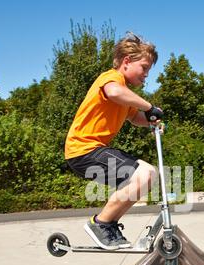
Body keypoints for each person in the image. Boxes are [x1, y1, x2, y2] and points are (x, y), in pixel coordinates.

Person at [65, 32, 163, 250]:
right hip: (83, 149)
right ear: (127, 61)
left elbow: (134, 117)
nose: (146, 74)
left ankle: (108, 225)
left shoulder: (125, 93)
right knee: (144, 174)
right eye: (144, 67)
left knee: (147, 175)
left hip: (91, 151)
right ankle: (100, 223)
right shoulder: (111, 79)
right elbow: (113, 92)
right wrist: (148, 106)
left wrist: (151, 121)